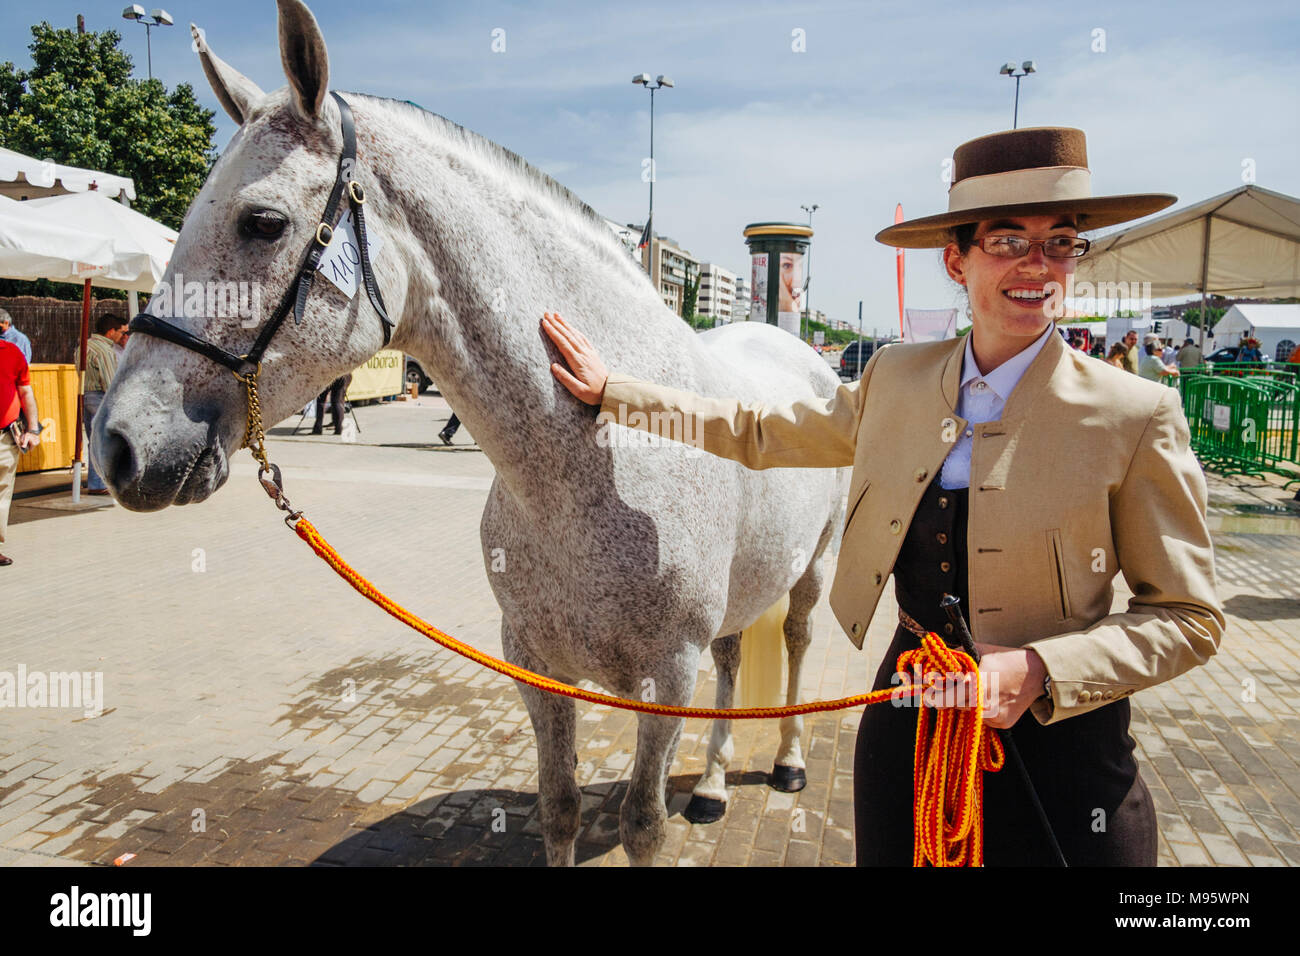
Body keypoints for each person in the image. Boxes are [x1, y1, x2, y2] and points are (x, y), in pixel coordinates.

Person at [542, 126, 1223, 866]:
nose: (1039, 264)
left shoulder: (1135, 414)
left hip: (1063, 756)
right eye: (1008, 241)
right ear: (956, 261)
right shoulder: (896, 378)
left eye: (1061, 240)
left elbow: (1189, 619)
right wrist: (619, 397)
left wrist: (1040, 672)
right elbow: (758, 431)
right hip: (909, 714)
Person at [73, 314, 128, 495]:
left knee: (94, 441)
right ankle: (104, 482)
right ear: (111, 331)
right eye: (121, 331)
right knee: (108, 440)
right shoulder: (104, 350)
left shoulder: (84, 346)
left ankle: (96, 483)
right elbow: (110, 383)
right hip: (100, 397)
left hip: (86, 396)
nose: (122, 335)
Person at [1, 338, 41, 566]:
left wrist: (33, 429)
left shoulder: (11, 351)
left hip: (6, 436)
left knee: (2, 494)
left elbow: (25, 391)